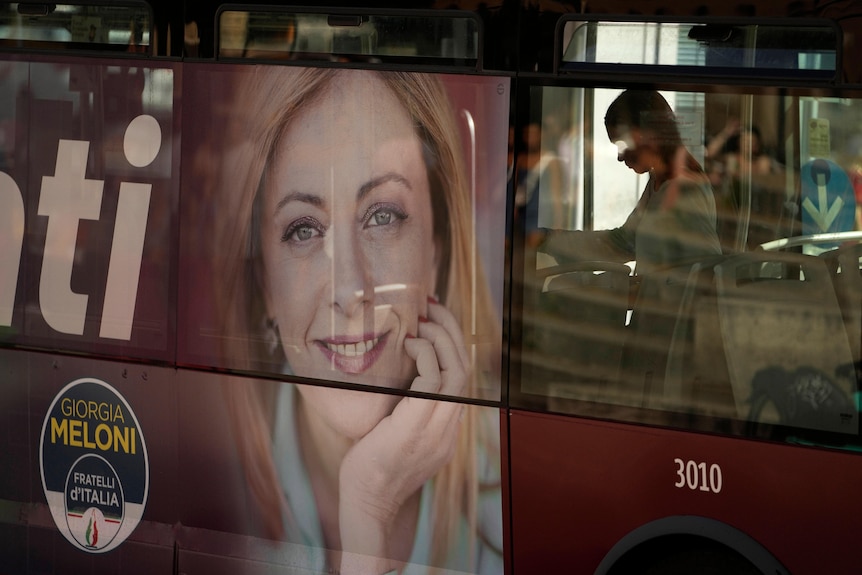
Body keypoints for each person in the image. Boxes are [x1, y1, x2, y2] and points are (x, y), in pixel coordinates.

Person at [209, 67, 502, 574]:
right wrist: (370, 512)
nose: (350, 290)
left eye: (382, 216)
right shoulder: (205, 474)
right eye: (303, 229)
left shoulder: (513, 484)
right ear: (264, 285)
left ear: (437, 249)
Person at [538, 89, 722, 276]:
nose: (619, 157)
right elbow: (624, 242)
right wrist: (550, 239)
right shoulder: (658, 182)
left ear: (647, 136)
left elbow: (707, 267)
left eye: (622, 144)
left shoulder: (683, 187)